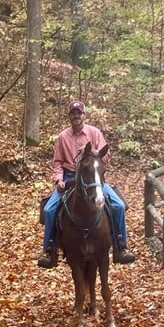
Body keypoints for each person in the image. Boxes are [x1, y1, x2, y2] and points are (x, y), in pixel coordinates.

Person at [38, 100, 135, 268]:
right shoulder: (63, 137)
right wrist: (59, 179)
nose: (76, 116)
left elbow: (107, 157)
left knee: (118, 205)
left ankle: (121, 247)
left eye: (79, 113)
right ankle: (50, 249)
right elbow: (58, 162)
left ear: (84, 115)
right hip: (69, 177)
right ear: (69, 116)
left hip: (93, 177)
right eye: (73, 113)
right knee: (49, 209)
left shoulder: (95, 133)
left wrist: (95, 154)